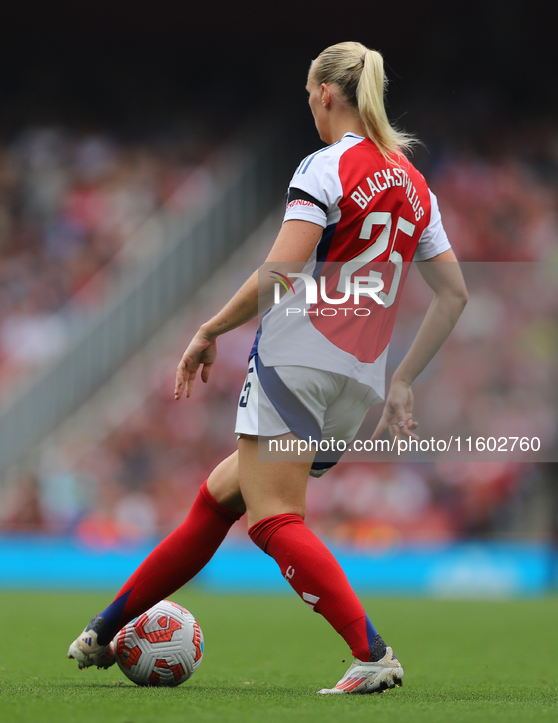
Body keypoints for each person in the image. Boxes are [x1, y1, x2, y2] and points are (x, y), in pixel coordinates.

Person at [67, 41, 468, 694]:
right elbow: (454, 294)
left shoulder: (325, 167)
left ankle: (372, 652)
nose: (309, 104)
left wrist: (209, 328)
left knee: (273, 517)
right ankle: (106, 626)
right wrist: (402, 379)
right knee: (221, 494)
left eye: (309, 95)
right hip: (357, 379)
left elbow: (280, 274)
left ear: (325, 94)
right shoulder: (415, 184)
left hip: (300, 354)